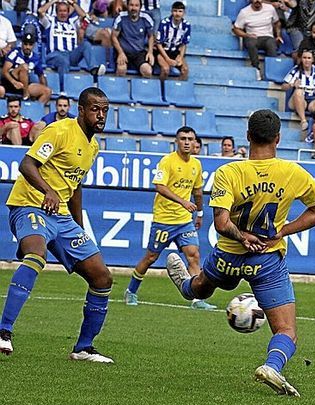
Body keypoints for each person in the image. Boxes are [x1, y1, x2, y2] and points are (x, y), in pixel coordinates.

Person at [165, 109, 315, 396]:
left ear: (248, 136)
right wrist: (283, 230)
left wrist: (242, 236)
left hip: (228, 255)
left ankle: (186, 287)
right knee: (286, 331)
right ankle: (272, 366)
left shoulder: (229, 172)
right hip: (266, 259)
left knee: (205, 286)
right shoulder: (292, 172)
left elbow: (221, 223)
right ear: (278, 138)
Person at [0, 88, 114, 363]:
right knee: (37, 254)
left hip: (61, 217)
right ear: (81, 109)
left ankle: (83, 348)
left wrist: (78, 226)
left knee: (102, 277)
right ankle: (3, 332)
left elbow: (75, 187)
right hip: (29, 204)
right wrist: (48, 191)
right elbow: (27, 164)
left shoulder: (93, 146)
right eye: (95, 109)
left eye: (105, 110)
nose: (101, 115)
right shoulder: (59, 131)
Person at [124, 126, 215, 310]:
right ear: (177, 141)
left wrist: (200, 212)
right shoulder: (167, 162)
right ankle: (131, 291)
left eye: (190, 139)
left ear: (195, 142)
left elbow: (198, 191)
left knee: (194, 256)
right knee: (150, 257)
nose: (187, 142)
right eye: (183, 139)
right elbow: (159, 186)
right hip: (164, 220)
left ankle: (197, 299)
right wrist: (183, 202)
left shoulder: (196, 165)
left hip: (184, 221)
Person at [38, 0, 106, 77]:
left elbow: (84, 15)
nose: (63, 13)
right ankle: (63, 87)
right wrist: (54, 1)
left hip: (71, 55)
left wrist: (73, 3)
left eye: (65, 11)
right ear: (56, 13)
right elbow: (40, 11)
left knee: (85, 44)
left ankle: (93, 69)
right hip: (55, 55)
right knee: (63, 60)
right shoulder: (50, 21)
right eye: (60, 11)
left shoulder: (72, 22)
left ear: (68, 12)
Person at [282, 49, 315, 137]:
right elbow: (283, 87)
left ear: (312, 60)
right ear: (301, 59)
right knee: (298, 92)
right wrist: (292, 84)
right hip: (298, 100)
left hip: (312, 100)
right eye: (304, 58)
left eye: (309, 58)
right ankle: (303, 121)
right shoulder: (296, 70)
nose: (306, 60)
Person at [1, 33, 52, 104]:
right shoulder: (15, 52)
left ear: (33, 45)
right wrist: (14, 82)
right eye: (25, 44)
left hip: (25, 85)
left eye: (30, 44)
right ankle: (26, 96)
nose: (27, 47)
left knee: (47, 91)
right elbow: (4, 71)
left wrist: (43, 86)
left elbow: (41, 75)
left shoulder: (36, 58)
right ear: (21, 43)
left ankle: (35, 110)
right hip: (10, 82)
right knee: (24, 67)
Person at [232, 0, 281, 71]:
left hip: (268, 37)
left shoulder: (270, 8)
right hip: (253, 37)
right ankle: (256, 68)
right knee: (251, 43)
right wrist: (247, 35)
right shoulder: (244, 12)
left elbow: (277, 23)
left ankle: (273, 70)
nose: (257, 1)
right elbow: (236, 29)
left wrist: (278, 35)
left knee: (271, 44)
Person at [111, 0, 155, 77]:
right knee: (121, 70)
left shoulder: (146, 18)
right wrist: (120, 53)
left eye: (136, 5)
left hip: (139, 53)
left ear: (140, 7)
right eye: (131, 5)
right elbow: (114, 37)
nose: (133, 8)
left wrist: (150, 52)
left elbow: (151, 36)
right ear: (127, 6)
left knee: (147, 71)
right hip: (124, 51)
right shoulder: (120, 17)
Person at [154, 1, 190, 81]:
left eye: (180, 11)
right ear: (171, 11)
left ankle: (178, 90)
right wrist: (167, 59)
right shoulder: (164, 23)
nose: (177, 14)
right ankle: (162, 90)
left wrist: (180, 56)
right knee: (166, 69)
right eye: (175, 11)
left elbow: (184, 44)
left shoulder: (186, 25)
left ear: (184, 13)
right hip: (163, 52)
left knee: (185, 70)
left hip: (175, 52)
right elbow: (159, 44)